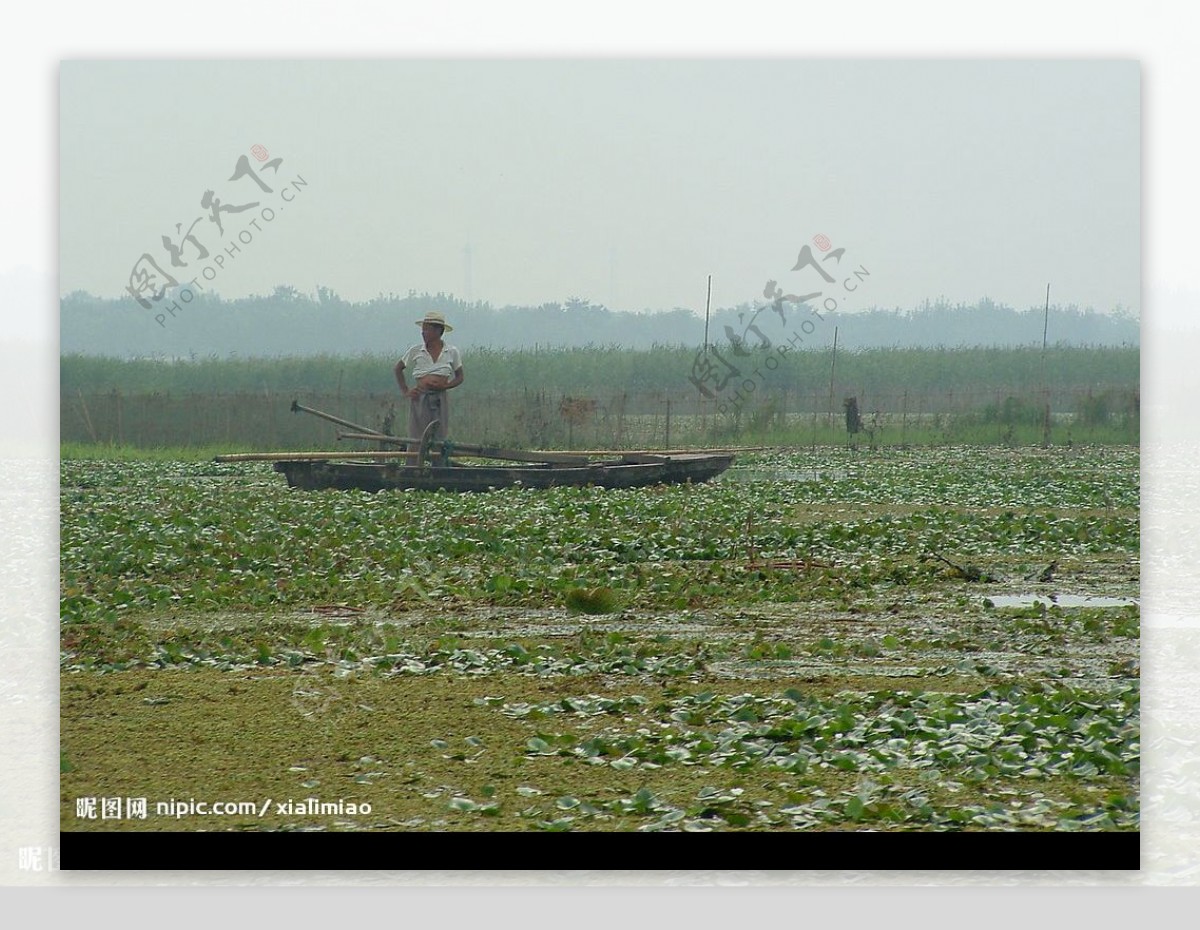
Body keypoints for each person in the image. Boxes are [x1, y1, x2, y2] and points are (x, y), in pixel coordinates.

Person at [393, 311, 464, 444]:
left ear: (438, 331)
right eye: (423, 329)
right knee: (416, 439)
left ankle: (437, 464)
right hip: (421, 397)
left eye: (427, 329)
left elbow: (460, 377)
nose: (423, 333)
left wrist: (445, 386)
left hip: (440, 398)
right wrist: (406, 391)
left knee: (439, 437)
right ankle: (414, 464)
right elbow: (398, 369)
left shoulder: (451, 351)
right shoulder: (416, 350)